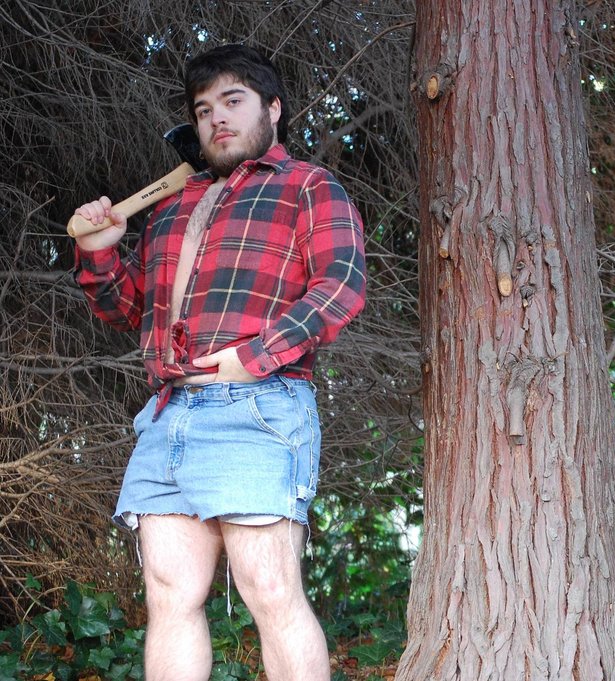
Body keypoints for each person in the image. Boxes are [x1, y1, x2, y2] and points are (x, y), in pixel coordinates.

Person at [73, 43, 366, 681]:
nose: (217, 119)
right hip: (168, 413)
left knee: (271, 591)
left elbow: (341, 287)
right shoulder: (173, 204)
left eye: (234, 101)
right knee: (170, 597)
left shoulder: (308, 186)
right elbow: (133, 310)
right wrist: (99, 252)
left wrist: (252, 358)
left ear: (273, 108)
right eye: (204, 110)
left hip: (256, 407)